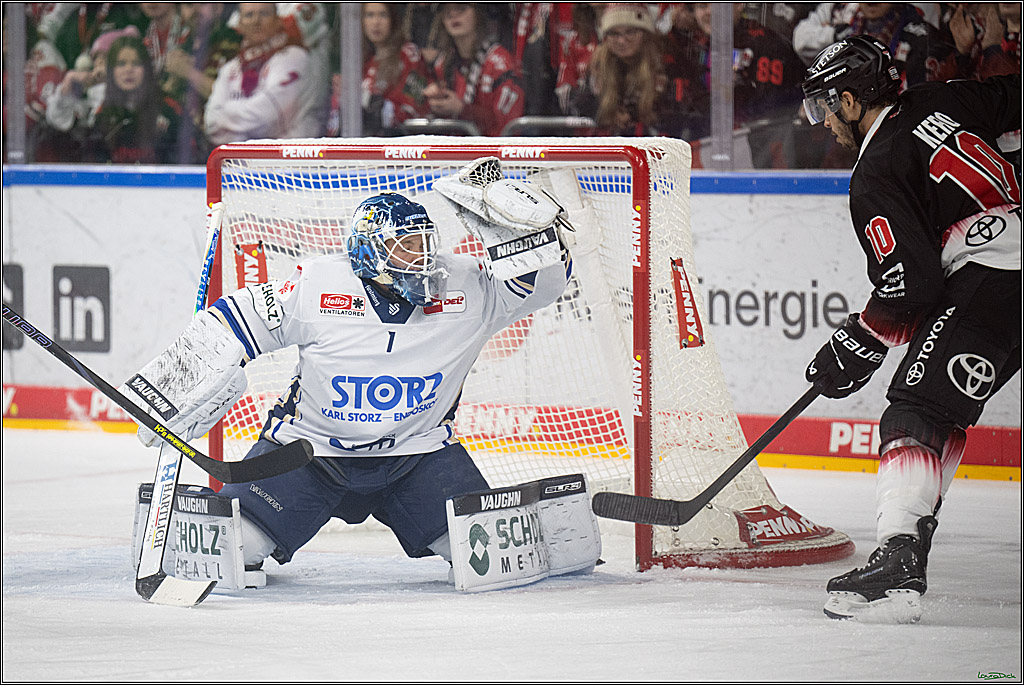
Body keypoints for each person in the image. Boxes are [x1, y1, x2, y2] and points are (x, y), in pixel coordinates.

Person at [121, 174, 575, 585]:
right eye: (405, 246)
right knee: (236, 552)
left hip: (417, 456)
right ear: (369, 250)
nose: (422, 259)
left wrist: (527, 232)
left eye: (425, 244)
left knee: (490, 560)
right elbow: (227, 322)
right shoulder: (317, 285)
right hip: (307, 453)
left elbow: (547, 283)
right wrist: (172, 389)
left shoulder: (466, 287)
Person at [800, 35, 1021, 623]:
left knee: (916, 414)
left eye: (826, 106)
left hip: (999, 276)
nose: (824, 122)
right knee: (938, 412)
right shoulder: (946, 98)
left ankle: (898, 563)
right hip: (1008, 267)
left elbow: (910, 287)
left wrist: (854, 341)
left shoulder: (874, 171)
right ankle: (907, 546)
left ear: (851, 101)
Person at [203, 2, 325, 145]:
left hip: (290, 163)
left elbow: (266, 120)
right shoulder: (231, 67)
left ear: (277, 21)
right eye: (249, 15)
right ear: (240, 23)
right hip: (241, 163)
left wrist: (225, 115)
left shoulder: (294, 57)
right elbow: (210, 124)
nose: (256, 21)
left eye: (264, 14)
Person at [568, 3, 693, 138]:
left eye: (630, 32)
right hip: (612, 148)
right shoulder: (598, 65)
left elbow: (681, 112)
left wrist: (635, 114)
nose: (622, 40)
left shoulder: (667, 62)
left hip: (658, 147)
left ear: (645, 34)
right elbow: (580, 104)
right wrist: (606, 113)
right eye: (614, 34)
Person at [422, 3, 524, 136]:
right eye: (447, 11)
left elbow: (507, 128)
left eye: (462, 8)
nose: (453, 15)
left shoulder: (500, 64)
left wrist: (462, 109)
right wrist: (432, 100)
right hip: (453, 151)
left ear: (479, 13)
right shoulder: (441, 64)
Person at [356, 2, 431, 136]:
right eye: (370, 15)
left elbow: (413, 107)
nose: (376, 22)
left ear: (394, 19)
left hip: (400, 143)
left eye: (383, 15)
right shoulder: (362, 61)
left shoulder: (409, 55)